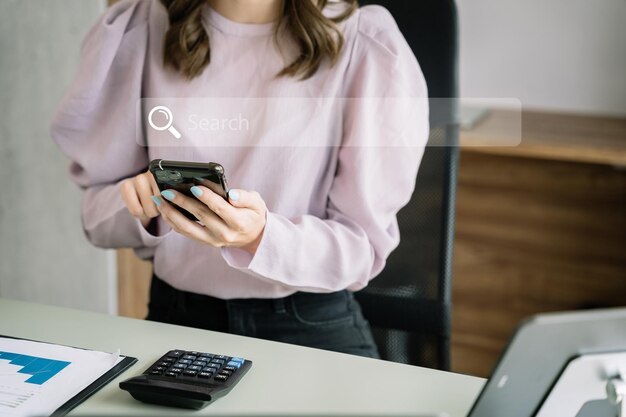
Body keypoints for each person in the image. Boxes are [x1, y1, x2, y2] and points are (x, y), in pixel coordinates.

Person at [51, 0, 428, 359]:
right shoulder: (139, 27)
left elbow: (361, 248)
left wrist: (261, 237)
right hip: (177, 321)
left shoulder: (364, 41)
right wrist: (139, 205)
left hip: (308, 326)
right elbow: (96, 219)